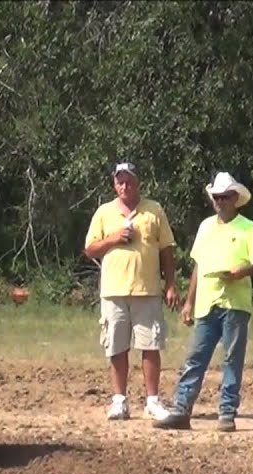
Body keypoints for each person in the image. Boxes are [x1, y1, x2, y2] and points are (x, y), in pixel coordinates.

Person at [154, 172, 253, 433]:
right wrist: (189, 302)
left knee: (232, 358)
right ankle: (182, 409)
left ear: (234, 198)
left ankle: (227, 412)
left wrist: (242, 272)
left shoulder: (248, 228)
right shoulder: (206, 226)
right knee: (195, 357)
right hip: (207, 302)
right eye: (216, 197)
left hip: (235, 303)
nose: (219, 201)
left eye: (224, 197)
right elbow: (198, 264)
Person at [83, 162, 181, 421]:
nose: (125, 186)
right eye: (120, 181)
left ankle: (152, 400)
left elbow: (167, 249)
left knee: (150, 345)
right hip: (114, 291)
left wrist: (170, 283)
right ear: (114, 185)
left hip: (147, 289)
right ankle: (119, 400)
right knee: (116, 346)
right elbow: (90, 249)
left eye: (129, 181)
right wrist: (113, 238)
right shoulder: (104, 213)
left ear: (138, 183)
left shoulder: (154, 210)